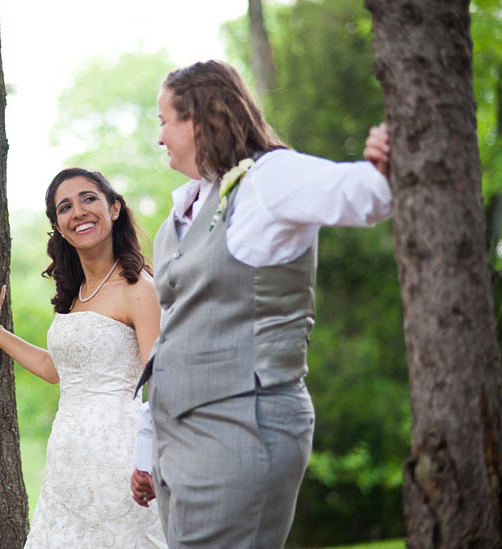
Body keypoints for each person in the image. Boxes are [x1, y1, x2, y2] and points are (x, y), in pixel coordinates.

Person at [129, 60, 392, 548]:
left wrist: (388, 157)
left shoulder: (270, 179)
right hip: (178, 446)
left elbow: (366, 196)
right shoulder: (180, 214)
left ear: (201, 118)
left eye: (164, 120)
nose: (160, 136)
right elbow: (173, 339)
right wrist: (148, 447)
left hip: (242, 430)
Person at [0, 167, 167, 548]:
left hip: (119, 456)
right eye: (65, 207)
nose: (79, 212)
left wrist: (151, 460)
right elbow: (57, 371)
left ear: (114, 208)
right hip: (67, 456)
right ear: (59, 225)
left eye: (89, 199)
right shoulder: (75, 293)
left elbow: (163, 383)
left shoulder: (140, 289)